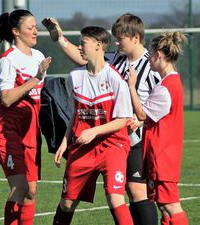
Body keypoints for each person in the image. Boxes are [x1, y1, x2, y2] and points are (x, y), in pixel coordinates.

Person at [42, 14, 159, 225]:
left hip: (133, 139)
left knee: (135, 190)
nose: (116, 42)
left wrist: (142, 119)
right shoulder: (115, 59)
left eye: (120, 37)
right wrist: (59, 38)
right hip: (98, 136)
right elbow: (85, 60)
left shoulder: (152, 67)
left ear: (135, 38)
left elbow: (159, 105)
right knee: (72, 202)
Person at [52, 26, 133, 225]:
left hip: (112, 145)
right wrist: (65, 141)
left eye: (83, 43)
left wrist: (94, 131)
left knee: (115, 199)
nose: (79, 47)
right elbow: (74, 114)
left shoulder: (115, 79)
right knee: (67, 203)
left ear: (98, 46)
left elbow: (123, 120)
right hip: (82, 146)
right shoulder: (74, 77)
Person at [0, 9, 51, 225]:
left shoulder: (39, 56)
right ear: (16, 32)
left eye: (36, 26)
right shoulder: (7, 61)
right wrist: (36, 78)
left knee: (31, 192)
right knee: (20, 187)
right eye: (30, 27)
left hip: (31, 132)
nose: (36, 31)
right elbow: (6, 99)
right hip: (8, 131)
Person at [127, 31, 188, 225]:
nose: (148, 58)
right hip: (162, 155)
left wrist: (132, 87)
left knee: (171, 206)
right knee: (164, 207)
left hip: (163, 156)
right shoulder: (169, 83)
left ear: (158, 55)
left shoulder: (166, 86)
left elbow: (143, 114)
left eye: (150, 53)